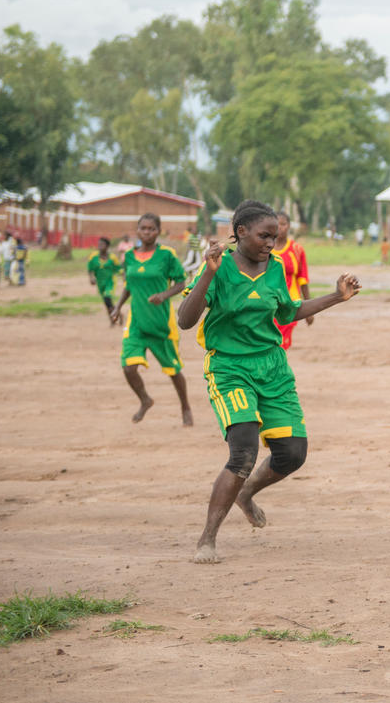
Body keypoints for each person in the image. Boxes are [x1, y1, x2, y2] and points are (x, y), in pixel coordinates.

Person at [178, 199, 361, 564]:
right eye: (264, 236)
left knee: (292, 454)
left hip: (273, 368)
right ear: (240, 231)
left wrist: (336, 298)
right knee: (243, 450)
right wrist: (209, 274)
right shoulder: (218, 268)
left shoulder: (276, 268)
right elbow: (185, 320)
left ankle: (246, 494)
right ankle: (207, 539)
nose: (271, 244)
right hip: (230, 368)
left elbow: (289, 311)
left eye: (275, 237)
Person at [110, 213, 193, 425]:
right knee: (128, 367)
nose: (147, 232)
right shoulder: (129, 256)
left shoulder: (166, 255)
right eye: (143, 228)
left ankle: (185, 406)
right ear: (137, 231)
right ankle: (145, 399)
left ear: (158, 231)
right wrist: (118, 307)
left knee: (174, 370)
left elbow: (181, 283)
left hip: (160, 324)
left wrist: (163, 295)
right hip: (136, 323)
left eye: (151, 229)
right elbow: (129, 285)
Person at [271, 211, 312, 350]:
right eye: (277, 224)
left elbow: (303, 280)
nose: (280, 227)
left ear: (289, 226)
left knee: (282, 345)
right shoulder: (265, 249)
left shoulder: (296, 249)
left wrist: (309, 311)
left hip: (290, 304)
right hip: (269, 304)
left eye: (283, 224)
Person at [87, 237, 123, 321]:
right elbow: (90, 269)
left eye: (102, 244)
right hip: (100, 283)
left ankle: (115, 315)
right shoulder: (93, 256)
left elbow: (119, 268)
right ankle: (116, 316)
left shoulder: (112, 257)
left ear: (107, 246)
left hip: (110, 282)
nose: (100, 246)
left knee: (107, 298)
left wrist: (123, 276)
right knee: (106, 303)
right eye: (99, 244)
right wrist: (91, 278)